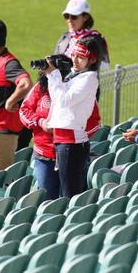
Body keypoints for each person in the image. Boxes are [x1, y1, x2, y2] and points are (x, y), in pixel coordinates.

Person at [20, 59, 101, 200]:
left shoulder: (78, 90)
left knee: (70, 199)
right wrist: (40, 122)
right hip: (45, 155)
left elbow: (95, 122)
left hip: (71, 154)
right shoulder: (41, 88)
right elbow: (24, 110)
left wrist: (73, 133)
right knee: (47, 201)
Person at [44, 36, 101, 198]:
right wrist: (51, 75)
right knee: (71, 192)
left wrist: (54, 74)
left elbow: (63, 100)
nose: (75, 60)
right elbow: (56, 97)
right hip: (65, 141)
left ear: (92, 59)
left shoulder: (89, 78)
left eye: (81, 57)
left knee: (70, 195)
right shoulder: (74, 75)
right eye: (74, 55)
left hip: (72, 143)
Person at [0, 17, 33, 173]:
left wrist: (10, 101)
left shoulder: (9, 63)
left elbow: (26, 84)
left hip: (3, 134)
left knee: (1, 180)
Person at [54, 0, 110, 71]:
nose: (69, 20)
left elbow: (103, 67)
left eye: (74, 17)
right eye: (67, 16)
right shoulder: (65, 37)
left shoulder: (94, 39)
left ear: (85, 17)